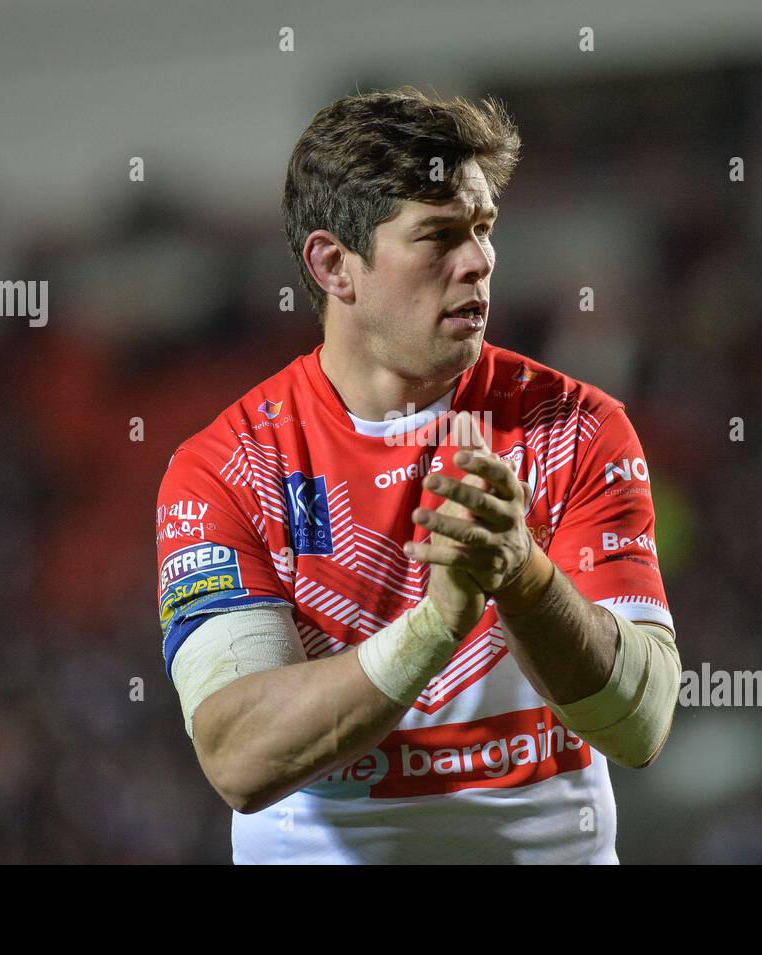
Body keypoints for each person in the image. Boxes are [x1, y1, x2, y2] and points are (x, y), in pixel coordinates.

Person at [155, 86, 682, 864]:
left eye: (483, 228)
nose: (479, 261)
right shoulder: (228, 468)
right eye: (438, 236)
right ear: (335, 264)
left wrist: (525, 577)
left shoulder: (573, 427)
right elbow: (238, 757)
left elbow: (640, 723)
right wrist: (436, 626)